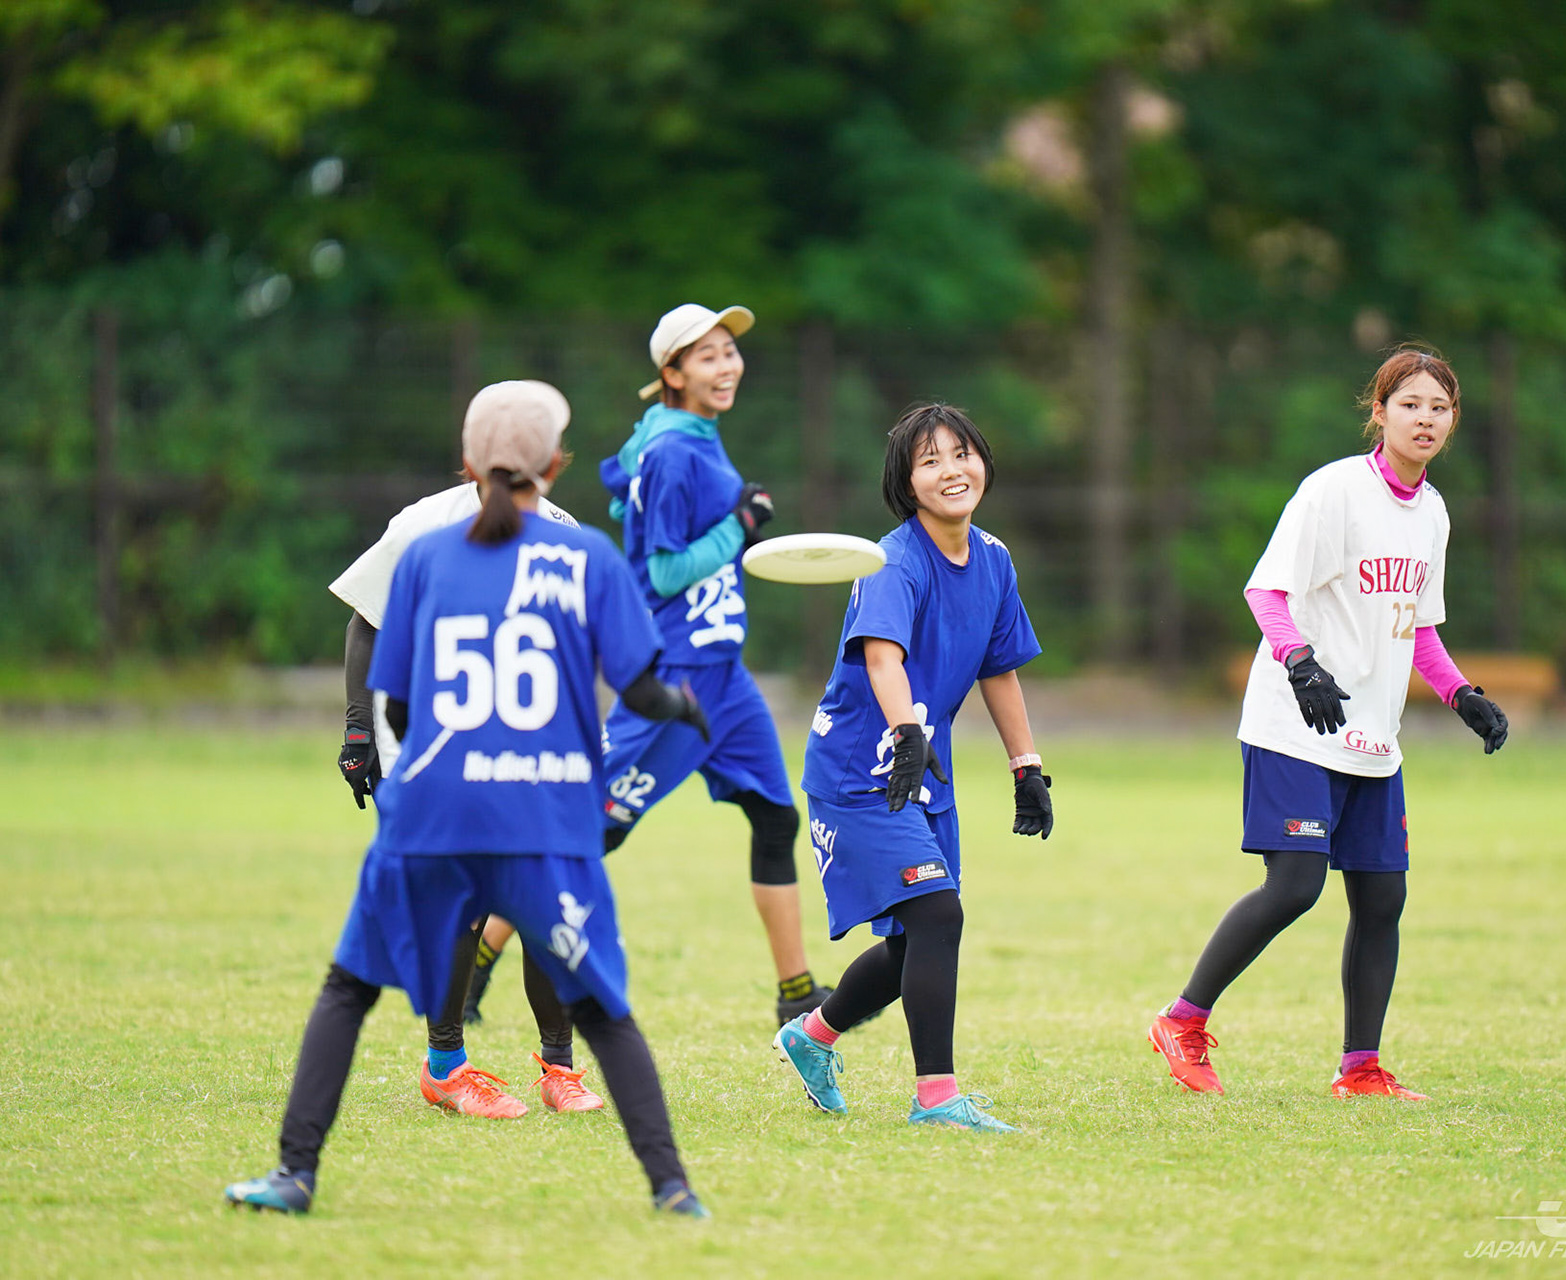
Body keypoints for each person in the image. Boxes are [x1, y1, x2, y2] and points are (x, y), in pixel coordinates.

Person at [226, 381, 711, 1216]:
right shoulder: (587, 555)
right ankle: (671, 1190)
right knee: (605, 1009)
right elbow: (638, 690)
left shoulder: (427, 556)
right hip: (541, 814)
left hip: (435, 814)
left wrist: (417, 756)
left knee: (347, 991)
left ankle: (294, 1175)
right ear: (554, 463)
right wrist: (683, 708)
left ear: (467, 461)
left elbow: (398, 706)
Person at [1146, 346, 1508, 1101]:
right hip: (1296, 722)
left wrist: (1461, 695)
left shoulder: (1433, 512)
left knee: (1382, 900)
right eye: (1409, 404)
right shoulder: (1334, 491)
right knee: (1296, 885)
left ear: (1453, 421)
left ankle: (1361, 1069)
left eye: (1439, 407)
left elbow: (1418, 626)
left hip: (1373, 734)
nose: (1425, 419)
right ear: (1379, 412)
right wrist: (1300, 663)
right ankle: (1181, 1020)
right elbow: (1266, 592)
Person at [771, 403, 1053, 1133]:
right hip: (862, 774)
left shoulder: (993, 558)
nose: (951, 471)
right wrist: (905, 735)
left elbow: (999, 668)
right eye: (930, 461)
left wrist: (1026, 766)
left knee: (912, 943)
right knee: (937, 915)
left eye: (962, 454)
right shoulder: (892, 561)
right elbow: (882, 658)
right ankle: (936, 1098)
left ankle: (811, 1036)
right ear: (906, 483)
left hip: (925, 772)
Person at [329, 384, 599, 1117]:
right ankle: (446, 1067)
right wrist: (358, 727)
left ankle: (559, 1068)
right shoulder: (424, 526)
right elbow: (367, 623)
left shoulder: (564, 532)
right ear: (471, 459)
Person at [598, 302, 832, 1025]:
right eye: (707, 355)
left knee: (775, 817)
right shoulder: (675, 448)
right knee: (593, 828)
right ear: (672, 373)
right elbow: (663, 571)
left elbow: (623, 492)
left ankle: (797, 994)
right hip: (676, 671)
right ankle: (472, 967)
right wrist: (741, 523)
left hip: (723, 673)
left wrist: (717, 517)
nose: (727, 365)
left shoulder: (682, 434)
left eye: (729, 350)